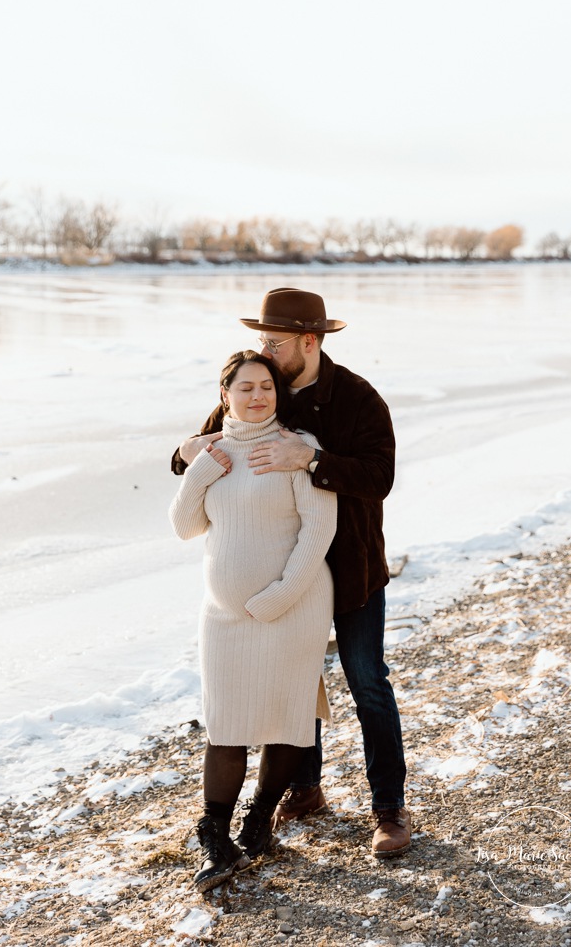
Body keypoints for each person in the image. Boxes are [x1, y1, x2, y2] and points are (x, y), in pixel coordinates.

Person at [172, 288, 410, 859]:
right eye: (261, 341)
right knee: (296, 682)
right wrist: (185, 454)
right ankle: (304, 788)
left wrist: (312, 460)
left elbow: (379, 477)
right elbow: (206, 443)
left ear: (309, 340)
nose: (264, 352)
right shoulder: (261, 382)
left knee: (366, 682)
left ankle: (388, 808)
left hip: (347, 564)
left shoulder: (357, 398)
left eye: (273, 343)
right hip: (270, 566)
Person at [169, 349, 337, 891]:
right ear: (226, 396)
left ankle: (259, 822)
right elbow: (184, 526)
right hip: (223, 616)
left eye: (266, 386)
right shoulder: (212, 451)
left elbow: (318, 531)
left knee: (286, 717)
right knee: (225, 725)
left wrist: (279, 597)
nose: (257, 396)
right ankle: (216, 838)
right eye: (245, 388)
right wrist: (198, 472)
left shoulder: (297, 448)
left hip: (293, 608)